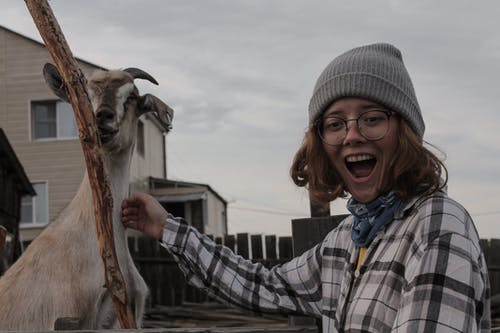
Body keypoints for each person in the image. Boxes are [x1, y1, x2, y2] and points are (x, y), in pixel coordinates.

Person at [122, 43, 490, 332]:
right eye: (334, 123)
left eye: (373, 118)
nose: (352, 135)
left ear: (406, 132)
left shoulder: (437, 227)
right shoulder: (348, 240)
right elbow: (264, 286)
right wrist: (168, 229)